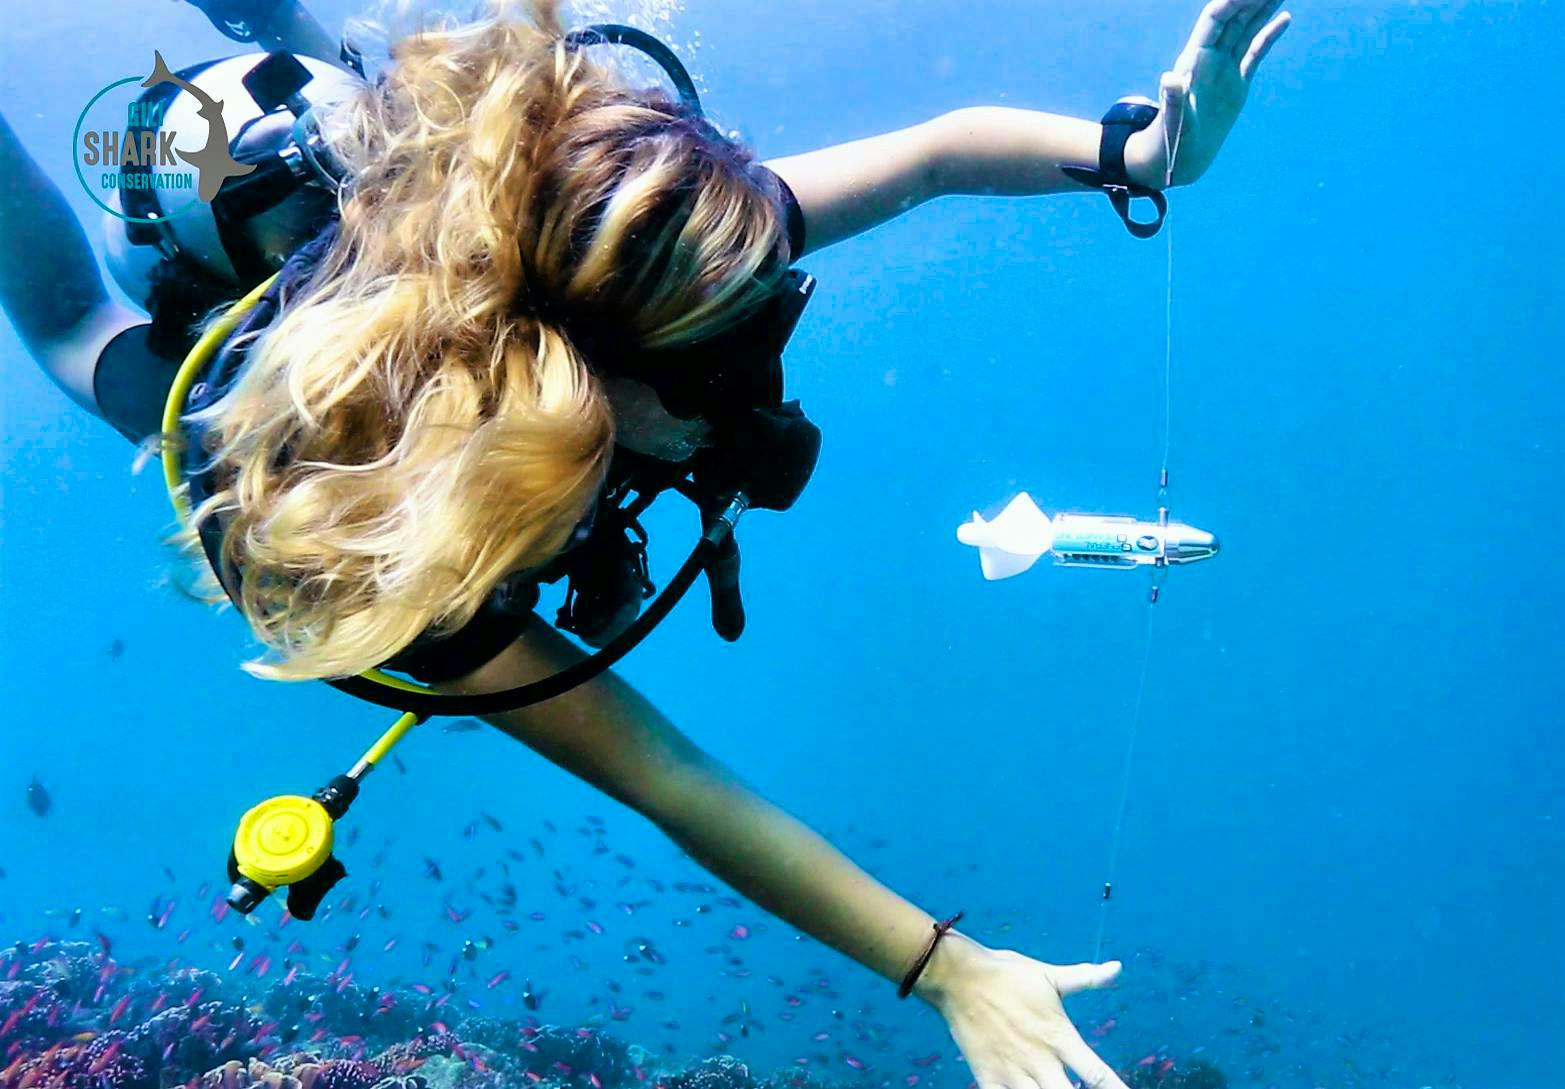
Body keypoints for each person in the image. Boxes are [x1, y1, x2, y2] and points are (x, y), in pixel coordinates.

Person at [0, 2, 1290, 1087]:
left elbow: (946, 150)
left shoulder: (663, 250)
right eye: (729, 359)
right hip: (286, 316)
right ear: (581, 387)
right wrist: (948, 971)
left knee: (369, 109)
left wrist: (1153, 150)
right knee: (77, 320)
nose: (765, 379)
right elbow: (670, 778)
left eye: (770, 316)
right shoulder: (401, 543)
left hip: (431, 204)